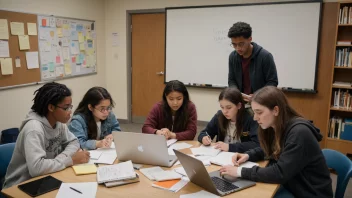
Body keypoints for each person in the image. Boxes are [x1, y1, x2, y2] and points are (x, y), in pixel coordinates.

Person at [219, 86, 333, 198]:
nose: (255, 118)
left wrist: (240, 171)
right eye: (254, 112)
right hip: (293, 185)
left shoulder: (299, 133)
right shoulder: (277, 126)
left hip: (309, 193)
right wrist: (248, 155)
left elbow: (279, 173)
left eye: (259, 112)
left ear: (276, 110)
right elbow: (272, 149)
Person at [3, 82, 89, 189]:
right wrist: (70, 160)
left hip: (46, 177)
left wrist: (63, 158)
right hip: (21, 185)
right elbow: (37, 169)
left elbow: (74, 142)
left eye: (70, 107)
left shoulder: (59, 123)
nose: (70, 112)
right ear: (51, 107)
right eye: (66, 108)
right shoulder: (34, 129)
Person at [227, 22, 278, 102]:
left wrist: (258, 95)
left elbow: (272, 82)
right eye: (234, 44)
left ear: (250, 39)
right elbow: (231, 80)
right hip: (240, 102)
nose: (237, 48)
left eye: (241, 44)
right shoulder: (232, 57)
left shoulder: (265, 56)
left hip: (262, 102)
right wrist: (236, 93)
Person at [198, 87, 259, 153]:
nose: (224, 111)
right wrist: (203, 138)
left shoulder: (250, 118)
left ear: (239, 105)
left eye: (229, 108)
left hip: (241, 157)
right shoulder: (219, 116)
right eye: (222, 107)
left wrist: (230, 147)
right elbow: (204, 133)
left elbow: (256, 144)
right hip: (221, 156)